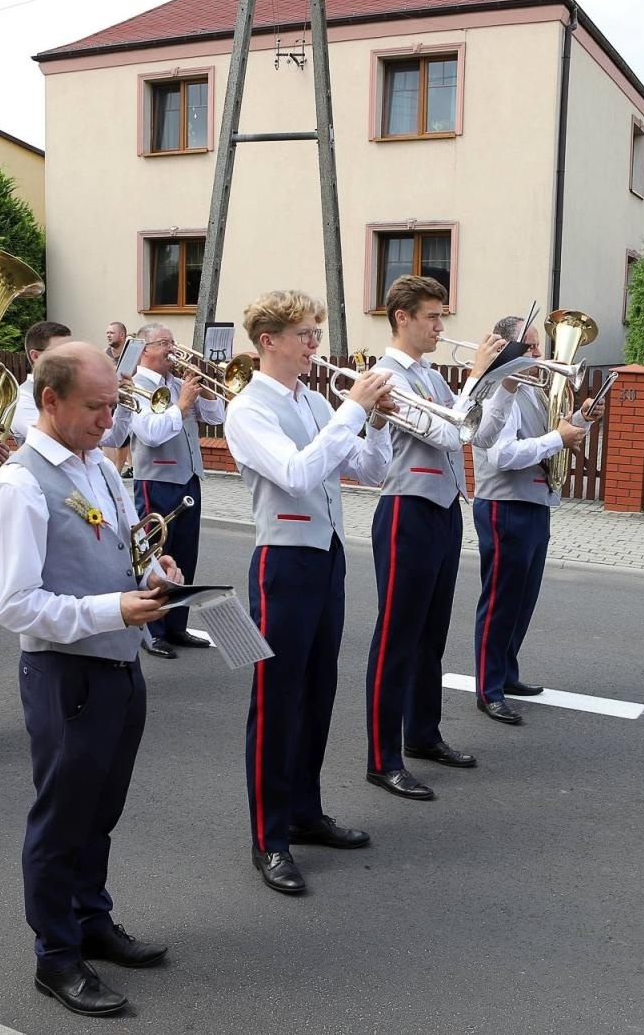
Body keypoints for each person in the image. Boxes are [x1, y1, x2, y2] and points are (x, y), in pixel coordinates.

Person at [0, 342, 180, 1018]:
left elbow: (125, 548)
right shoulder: (17, 484)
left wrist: (154, 572)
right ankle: (56, 956)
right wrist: (112, 608)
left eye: (113, 404)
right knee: (61, 819)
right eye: (96, 406)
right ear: (50, 401)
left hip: (118, 664)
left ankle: (91, 919)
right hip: (67, 672)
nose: (108, 419)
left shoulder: (99, 465)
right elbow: (13, 605)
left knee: (101, 811)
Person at [226, 290, 396, 894]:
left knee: (319, 690)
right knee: (277, 701)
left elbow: (372, 473)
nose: (315, 345)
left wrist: (373, 422)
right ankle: (269, 838)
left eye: (316, 334)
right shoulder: (248, 409)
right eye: (304, 334)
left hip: (326, 560)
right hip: (282, 562)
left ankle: (304, 810)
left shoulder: (317, 401)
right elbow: (297, 473)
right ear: (267, 341)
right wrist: (351, 411)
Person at [363, 274, 504, 801]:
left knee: (431, 636)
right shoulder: (387, 377)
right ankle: (382, 757)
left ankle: (422, 734)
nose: (441, 326)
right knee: (397, 638)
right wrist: (476, 376)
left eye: (442, 315)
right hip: (406, 511)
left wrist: (501, 389)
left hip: (444, 512)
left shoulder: (430, 377)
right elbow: (444, 432)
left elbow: (476, 435)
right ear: (402, 318)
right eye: (432, 316)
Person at [469, 316, 599, 726]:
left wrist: (579, 421)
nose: (540, 355)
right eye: (530, 347)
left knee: (522, 600)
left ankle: (506, 675)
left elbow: (547, 439)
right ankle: (488, 689)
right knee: (500, 601)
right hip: (504, 505)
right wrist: (559, 438)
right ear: (505, 349)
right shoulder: (496, 392)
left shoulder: (532, 390)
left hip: (532, 503)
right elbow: (502, 455)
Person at [128, 324, 225, 658]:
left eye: (172, 342)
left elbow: (216, 416)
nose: (172, 349)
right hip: (155, 480)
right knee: (155, 554)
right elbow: (150, 434)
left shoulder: (177, 383)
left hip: (188, 477)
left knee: (184, 554)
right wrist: (181, 405)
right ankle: (152, 630)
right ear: (144, 349)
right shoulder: (135, 385)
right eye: (164, 343)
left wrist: (207, 391)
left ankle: (177, 624)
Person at [11, 321, 74, 444]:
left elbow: (114, 439)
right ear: (36, 356)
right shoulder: (22, 398)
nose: (71, 359)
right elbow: (52, 441)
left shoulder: (69, 389)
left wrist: (119, 405)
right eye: (61, 353)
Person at [103, 321, 131, 476]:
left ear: (122, 335)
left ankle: (118, 471)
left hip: (126, 400)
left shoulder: (130, 354)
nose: (108, 335)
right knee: (108, 435)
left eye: (111, 333)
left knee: (124, 438)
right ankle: (111, 471)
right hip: (109, 399)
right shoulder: (104, 354)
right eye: (107, 333)